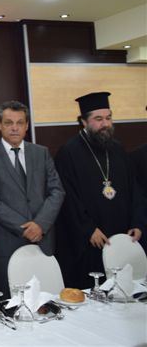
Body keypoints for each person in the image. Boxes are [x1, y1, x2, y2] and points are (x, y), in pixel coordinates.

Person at [54, 92, 145, 288]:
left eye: (108, 118)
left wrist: (137, 223)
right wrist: (88, 229)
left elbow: (135, 190)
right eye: (98, 119)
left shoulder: (118, 149)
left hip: (122, 236)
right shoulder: (68, 153)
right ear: (83, 122)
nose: (105, 124)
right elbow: (67, 198)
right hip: (91, 240)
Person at [0, 101, 64, 298]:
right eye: (8, 123)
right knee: (11, 304)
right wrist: (25, 228)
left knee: (47, 302)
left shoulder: (41, 152)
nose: (14, 128)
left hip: (43, 240)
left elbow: (57, 191)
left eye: (20, 122)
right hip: (7, 244)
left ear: (26, 125)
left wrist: (40, 225)